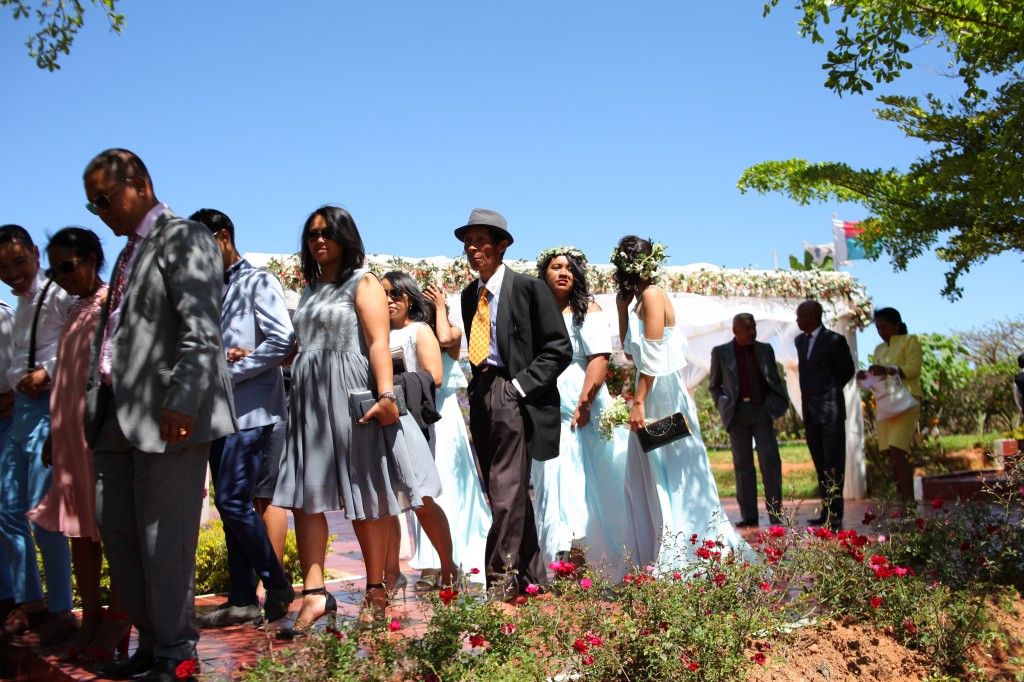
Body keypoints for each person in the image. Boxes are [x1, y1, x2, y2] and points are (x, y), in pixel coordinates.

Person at [82, 149, 236, 682]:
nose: (99, 210)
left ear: (141, 184)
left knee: (163, 541)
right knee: (120, 537)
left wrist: (183, 398)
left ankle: (177, 653)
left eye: (105, 197)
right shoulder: (128, 252)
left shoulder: (183, 237)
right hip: (113, 416)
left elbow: (202, 324)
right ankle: (152, 645)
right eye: (91, 203)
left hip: (171, 413)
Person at [272, 206, 450, 632]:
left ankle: (375, 590)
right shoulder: (311, 289)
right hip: (309, 394)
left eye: (327, 233)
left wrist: (387, 395)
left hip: (351, 392)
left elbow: (376, 343)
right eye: (312, 234)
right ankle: (314, 594)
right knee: (305, 496)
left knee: (365, 492)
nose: (318, 240)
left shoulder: (364, 281)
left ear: (345, 238)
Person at [24, 228, 129, 661]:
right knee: (78, 531)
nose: (61, 275)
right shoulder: (73, 309)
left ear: (91, 259)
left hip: (101, 431)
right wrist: (54, 430)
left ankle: (120, 617)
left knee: (113, 528)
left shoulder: (112, 303)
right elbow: (66, 378)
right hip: (69, 432)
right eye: (55, 268)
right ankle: (90, 617)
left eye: (68, 265)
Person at [612, 235, 749, 569]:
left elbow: (656, 357)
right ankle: (659, 553)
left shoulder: (653, 294)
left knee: (676, 475)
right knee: (646, 474)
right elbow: (632, 354)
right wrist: (621, 309)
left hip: (664, 395)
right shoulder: (637, 300)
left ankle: (689, 555)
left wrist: (639, 402)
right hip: (651, 388)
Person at [456, 209, 572, 602]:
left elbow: (559, 349)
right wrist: (479, 392)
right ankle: (532, 575)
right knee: (501, 488)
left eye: (481, 240)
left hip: (513, 392)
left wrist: (518, 387)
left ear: (503, 245)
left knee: (505, 487)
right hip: (481, 393)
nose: (473, 249)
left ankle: (500, 580)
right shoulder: (469, 295)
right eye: (467, 242)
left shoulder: (528, 289)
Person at [189, 209, 296, 628]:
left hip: (253, 410)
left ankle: (278, 583)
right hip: (217, 413)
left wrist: (233, 368)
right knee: (230, 506)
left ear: (222, 237)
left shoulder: (259, 280)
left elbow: (283, 339)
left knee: (234, 500)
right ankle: (241, 599)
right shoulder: (208, 292)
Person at [0, 224, 76, 647]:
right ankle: (32, 605)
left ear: (34, 252)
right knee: (7, 512)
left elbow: (78, 348)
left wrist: (46, 371)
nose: (12, 272)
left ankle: (62, 611)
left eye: (18, 261)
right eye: (3, 266)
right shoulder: (20, 304)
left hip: (49, 407)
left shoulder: (58, 295)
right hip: (22, 411)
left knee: (44, 514)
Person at [533, 246, 629, 573]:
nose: (563, 272)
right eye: (556, 267)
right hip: (544, 402)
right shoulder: (534, 310)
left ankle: (583, 555)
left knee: (583, 480)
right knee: (551, 481)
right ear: (543, 274)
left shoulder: (588, 309)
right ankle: (555, 556)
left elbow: (600, 358)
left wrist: (584, 403)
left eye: (569, 268)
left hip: (579, 401)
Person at [380, 271, 472, 593]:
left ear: (408, 298)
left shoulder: (419, 331)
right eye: (383, 295)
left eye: (394, 294)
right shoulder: (374, 334)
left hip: (412, 423)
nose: (388, 300)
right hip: (381, 422)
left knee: (422, 498)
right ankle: (391, 573)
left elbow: (434, 376)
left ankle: (448, 566)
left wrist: (389, 385)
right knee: (385, 503)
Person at [708, 313, 788, 527]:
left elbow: (775, 381)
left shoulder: (765, 350)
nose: (752, 332)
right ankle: (749, 515)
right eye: (747, 329)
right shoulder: (721, 352)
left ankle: (775, 513)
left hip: (762, 412)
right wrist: (723, 404)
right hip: (737, 414)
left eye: (754, 328)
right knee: (743, 466)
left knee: (770, 462)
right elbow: (714, 385)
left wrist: (771, 407)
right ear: (735, 331)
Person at [795, 300, 856, 528]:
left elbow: (847, 370)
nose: (797, 320)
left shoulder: (834, 340)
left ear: (813, 317)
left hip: (830, 411)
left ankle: (836, 514)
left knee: (833, 464)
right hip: (810, 413)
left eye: (800, 316)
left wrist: (828, 390)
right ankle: (826, 510)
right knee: (820, 463)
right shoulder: (800, 340)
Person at [858, 307, 922, 503]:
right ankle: (903, 501)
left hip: (907, 401)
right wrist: (865, 378)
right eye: (878, 328)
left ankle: (909, 503)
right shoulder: (878, 349)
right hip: (886, 403)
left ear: (897, 325)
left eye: (884, 327)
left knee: (897, 451)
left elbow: (913, 368)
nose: (881, 331)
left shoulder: (910, 341)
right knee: (889, 454)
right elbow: (879, 379)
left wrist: (887, 369)